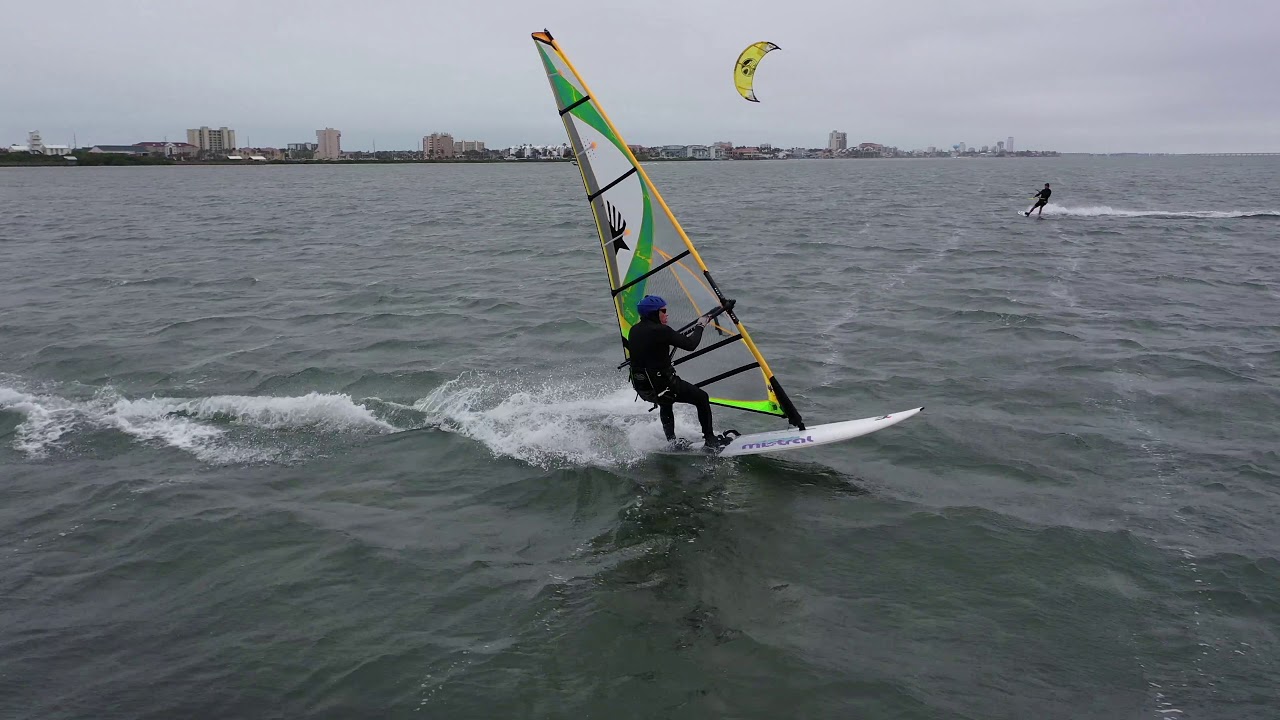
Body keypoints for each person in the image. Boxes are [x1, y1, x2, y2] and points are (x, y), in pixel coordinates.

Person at [628, 294, 732, 451]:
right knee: (702, 398)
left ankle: (671, 441)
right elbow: (691, 345)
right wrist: (700, 325)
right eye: (663, 311)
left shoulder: (634, 330)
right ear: (654, 313)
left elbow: (654, 345)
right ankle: (710, 439)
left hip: (644, 388)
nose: (666, 314)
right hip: (663, 386)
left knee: (665, 400)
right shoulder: (661, 331)